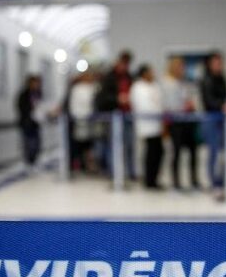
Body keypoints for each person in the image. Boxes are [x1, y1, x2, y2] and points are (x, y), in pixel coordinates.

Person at [200, 51, 226, 197]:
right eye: (216, 62)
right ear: (209, 64)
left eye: (221, 62)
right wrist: (223, 105)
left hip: (224, 120)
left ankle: (224, 182)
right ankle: (215, 184)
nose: (219, 65)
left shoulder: (223, 79)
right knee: (214, 153)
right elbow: (209, 101)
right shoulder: (206, 80)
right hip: (212, 119)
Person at [96, 51, 135, 180]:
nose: (125, 66)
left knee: (129, 145)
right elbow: (102, 98)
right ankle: (113, 172)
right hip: (113, 116)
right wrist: (117, 99)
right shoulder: (109, 77)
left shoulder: (129, 76)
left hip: (128, 115)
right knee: (113, 145)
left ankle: (129, 172)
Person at [162, 57, 200, 190]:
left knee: (193, 151)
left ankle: (194, 179)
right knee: (176, 152)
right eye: (180, 67)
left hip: (187, 121)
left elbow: (188, 97)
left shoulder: (183, 82)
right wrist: (182, 107)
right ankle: (176, 181)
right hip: (176, 122)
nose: (182, 69)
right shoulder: (167, 83)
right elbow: (168, 104)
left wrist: (190, 105)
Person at [131, 65, 164, 189]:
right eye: (150, 72)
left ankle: (154, 179)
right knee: (150, 154)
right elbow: (145, 106)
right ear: (144, 74)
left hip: (156, 125)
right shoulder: (138, 87)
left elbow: (159, 103)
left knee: (158, 152)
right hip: (146, 125)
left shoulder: (154, 86)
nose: (152, 74)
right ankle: (149, 180)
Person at [69, 71, 98, 172]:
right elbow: (74, 106)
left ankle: (87, 165)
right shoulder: (77, 89)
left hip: (90, 121)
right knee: (79, 144)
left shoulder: (92, 88)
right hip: (80, 120)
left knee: (88, 145)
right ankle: (79, 164)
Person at [16, 75, 42, 166]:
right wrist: (31, 110)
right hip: (26, 123)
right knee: (28, 144)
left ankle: (33, 161)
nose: (36, 85)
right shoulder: (24, 95)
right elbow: (21, 108)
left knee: (36, 144)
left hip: (36, 123)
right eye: (34, 83)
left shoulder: (38, 94)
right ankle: (29, 162)